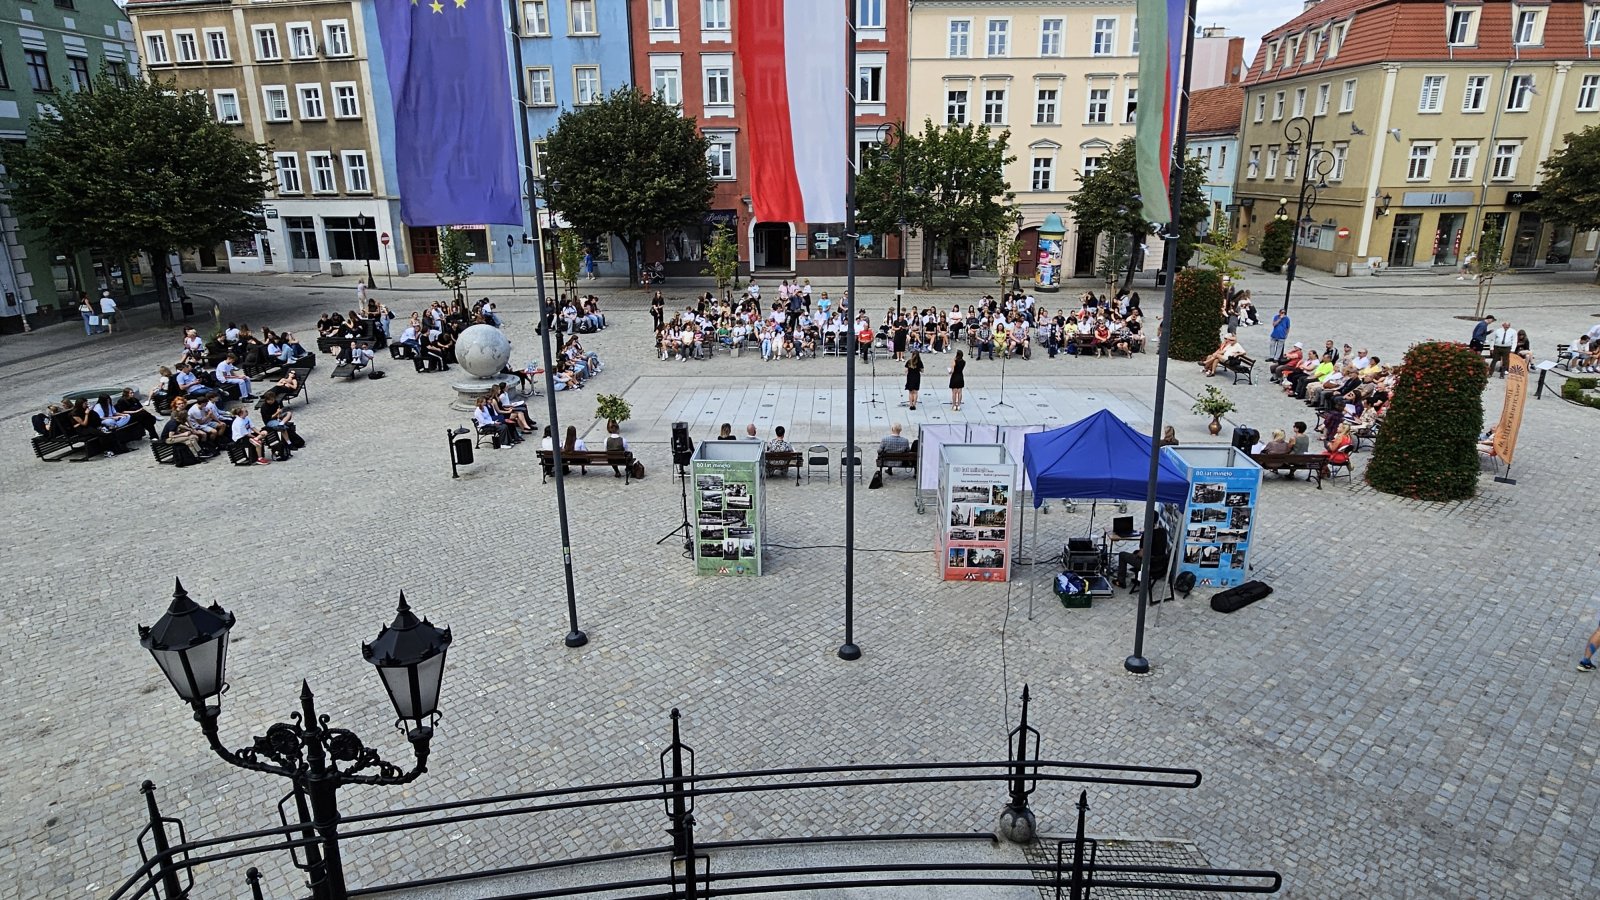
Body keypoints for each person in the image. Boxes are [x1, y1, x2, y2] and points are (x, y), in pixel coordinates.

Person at [1114, 525, 1170, 591]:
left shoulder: (1147, 534)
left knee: (1122, 555)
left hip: (1149, 565)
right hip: (1160, 564)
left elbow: (1141, 554)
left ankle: (1121, 581)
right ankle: (1138, 578)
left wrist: (1137, 554)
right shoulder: (1163, 532)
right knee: (1135, 552)